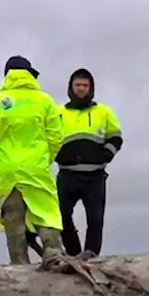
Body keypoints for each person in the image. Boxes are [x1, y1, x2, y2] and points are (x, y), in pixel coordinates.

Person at [0, 56, 65, 265]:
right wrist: (44, 158)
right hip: (36, 167)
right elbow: (56, 136)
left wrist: (1, 158)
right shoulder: (45, 101)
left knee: (13, 219)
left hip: (6, 170)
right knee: (45, 212)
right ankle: (54, 254)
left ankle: (19, 264)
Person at [55, 68, 123, 258]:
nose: (81, 89)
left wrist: (106, 155)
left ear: (91, 88)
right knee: (60, 217)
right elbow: (47, 139)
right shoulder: (57, 112)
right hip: (67, 174)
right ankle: (75, 253)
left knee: (95, 220)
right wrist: (57, 155)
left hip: (95, 176)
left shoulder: (103, 111)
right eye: (78, 85)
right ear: (71, 87)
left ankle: (91, 256)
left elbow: (116, 138)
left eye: (85, 85)